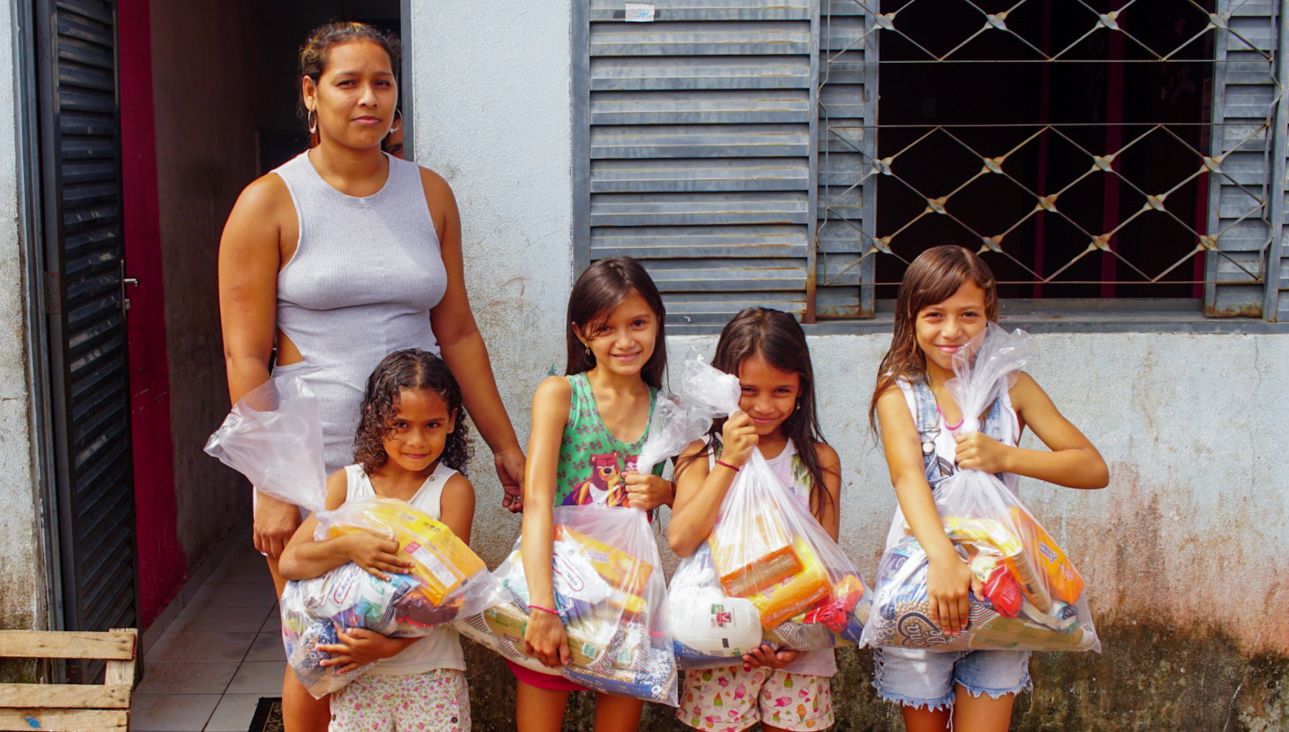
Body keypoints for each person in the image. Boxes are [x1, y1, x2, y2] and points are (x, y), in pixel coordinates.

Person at [217, 21, 525, 730]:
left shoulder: (430, 194)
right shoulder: (269, 202)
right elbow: (245, 356)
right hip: (314, 465)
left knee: (402, 628)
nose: (367, 98)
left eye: (381, 82)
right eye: (347, 82)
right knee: (320, 648)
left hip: (414, 458)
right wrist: (271, 484)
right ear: (310, 93)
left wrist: (504, 445)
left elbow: (458, 331)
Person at [869, 245, 1108, 731]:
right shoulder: (900, 392)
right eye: (934, 315)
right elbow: (907, 477)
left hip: (1004, 588)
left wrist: (1007, 457)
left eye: (968, 315)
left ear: (989, 317)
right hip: (925, 583)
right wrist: (944, 560)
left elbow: (1092, 468)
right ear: (910, 318)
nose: (951, 330)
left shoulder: (1012, 387)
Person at [516, 257, 675, 731]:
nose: (624, 341)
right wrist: (542, 606)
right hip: (558, 590)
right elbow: (537, 502)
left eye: (638, 323)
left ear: (657, 321)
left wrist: (667, 491)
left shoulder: (669, 412)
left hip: (629, 598)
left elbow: (696, 512)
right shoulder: (560, 394)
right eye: (605, 328)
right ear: (581, 334)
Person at [667, 307, 843, 732]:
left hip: (798, 646)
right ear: (725, 386)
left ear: (801, 388)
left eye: (781, 391)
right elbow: (682, 540)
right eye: (748, 390)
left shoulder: (819, 462)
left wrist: (798, 641)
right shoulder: (702, 456)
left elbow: (826, 563)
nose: (764, 406)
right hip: (718, 640)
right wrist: (730, 460)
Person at [279, 350, 473, 731]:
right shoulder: (347, 485)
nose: (416, 440)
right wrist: (349, 547)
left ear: (451, 421)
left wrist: (388, 647)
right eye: (400, 424)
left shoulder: (451, 491)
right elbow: (291, 562)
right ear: (375, 418)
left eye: (431, 425)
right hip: (356, 679)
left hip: (429, 674)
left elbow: (450, 592)